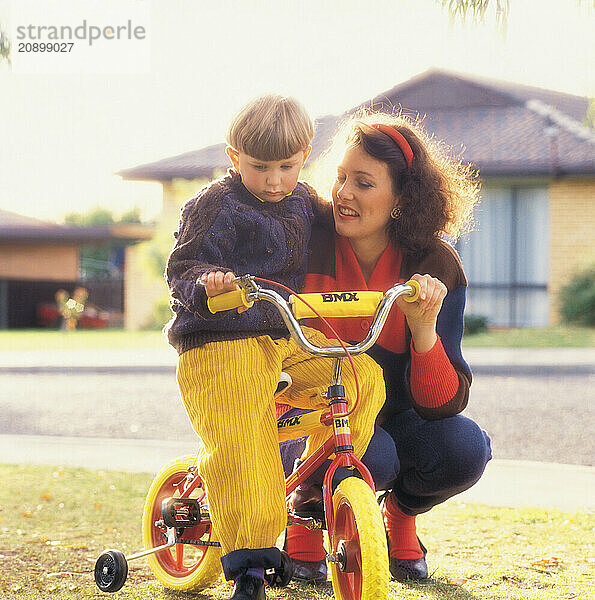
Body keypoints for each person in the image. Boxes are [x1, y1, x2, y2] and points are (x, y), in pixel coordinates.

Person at [164, 95, 386, 600]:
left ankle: (315, 482)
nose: (273, 181)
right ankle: (251, 565)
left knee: (361, 378)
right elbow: (181, 271)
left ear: (305, 154)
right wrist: (208, 282)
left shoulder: (305, 201)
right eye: (259, 166)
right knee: (245, 445)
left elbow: (353, 221)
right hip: (218, 337)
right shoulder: (214, 205)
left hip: (282, 335)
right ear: (232, 156)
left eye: (286, 166)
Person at [281, 112, 492, 584]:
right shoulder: (305, 238)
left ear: (401, 199)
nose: (344, 194)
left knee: (463, 448)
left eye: (363, 183)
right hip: (307, 415)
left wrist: (423, 331)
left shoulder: (434, 263)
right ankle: (302, 515)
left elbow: (443, 404)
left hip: (393, 415)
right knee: (366, 454)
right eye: (339, 178)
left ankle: (402, 515)